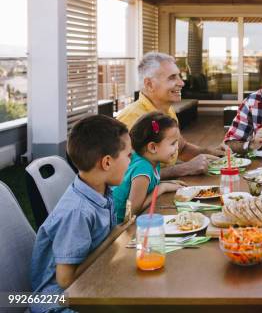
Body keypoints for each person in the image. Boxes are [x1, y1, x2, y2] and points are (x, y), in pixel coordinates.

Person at [30, 115, 132, 312]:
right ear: (107, 163)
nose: (131, 161)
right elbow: (65, 280)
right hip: (60, 303)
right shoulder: (77, 212)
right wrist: (113, 237)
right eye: (128, 155)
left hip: (89, 284)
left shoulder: (101, 190)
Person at [117, 52, 223, 177]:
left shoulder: (167, 111)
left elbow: (182, 149)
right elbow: (126, 175)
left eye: (179, 76)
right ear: (149, 84)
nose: (182, 83)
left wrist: (215, 154)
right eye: (172, 77)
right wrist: (182, 169)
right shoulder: (130, 119)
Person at [112, 112, 187, 223]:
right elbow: (131, 213)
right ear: (152, 147)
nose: (177, 148)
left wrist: (166, 183)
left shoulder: (151, 161)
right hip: (119, 228)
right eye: (173, 143)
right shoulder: (143, 168)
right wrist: (161, 188)